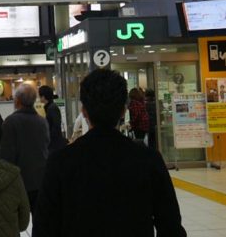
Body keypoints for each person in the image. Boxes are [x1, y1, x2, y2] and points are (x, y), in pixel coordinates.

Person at [33, 69, 185, 237]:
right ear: (123, 110)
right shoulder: (148, 159)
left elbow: (43, 227)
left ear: (84, 111)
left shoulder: (60, 162)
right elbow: (171, 226)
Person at [0, 83, 49, 212]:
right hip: (40, 180)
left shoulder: (10, 122)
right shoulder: (42, 122)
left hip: (18, 181)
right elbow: (46, 146)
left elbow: (6, 155)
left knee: (15, 221)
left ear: (18, 100)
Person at [38, 86, 66, 153]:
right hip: (53, 144)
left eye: (40, 96)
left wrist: (48, 138)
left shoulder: (52, 108)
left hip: (54, 145)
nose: (39, 98)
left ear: (43, 97)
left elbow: (56, 127)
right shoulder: (50, 107)